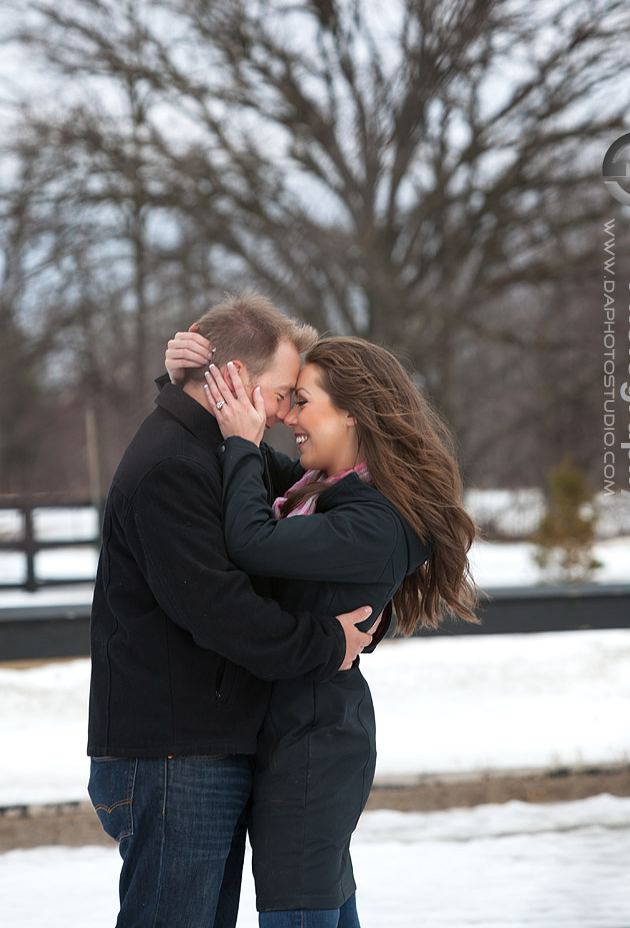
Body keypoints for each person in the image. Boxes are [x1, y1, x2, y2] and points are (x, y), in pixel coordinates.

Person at [166, 325, 478, 927]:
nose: (290, 418)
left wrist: (238, 444)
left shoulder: (377, 520)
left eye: (303, 402)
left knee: (300, 911)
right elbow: (249, 451)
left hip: (313, 750)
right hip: (293, 737)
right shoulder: (323, 491)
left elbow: (251, 535)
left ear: (355, 415)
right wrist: (185, 377)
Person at [87, 294, 378, 928]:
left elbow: (303, 493)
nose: (281, 414)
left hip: (194, 750)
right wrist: (326, 644)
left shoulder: (210, 449)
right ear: (236, 382)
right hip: (172, 757)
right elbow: (219, 608)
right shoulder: (172, 465)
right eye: (281, 394)